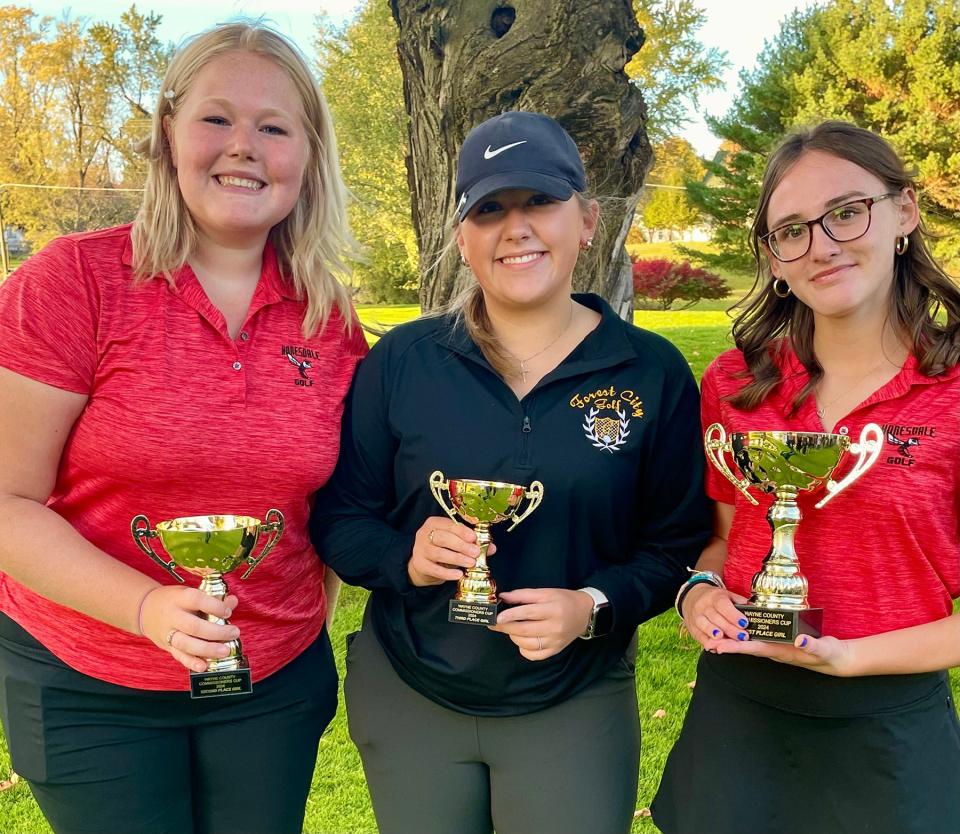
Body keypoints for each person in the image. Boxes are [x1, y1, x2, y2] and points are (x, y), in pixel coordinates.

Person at [0, 22, 367, 834]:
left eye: (274, 127)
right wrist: (145, 609)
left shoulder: (332, 322)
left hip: (270, 687)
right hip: (87, 681)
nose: (244, 147)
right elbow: (6, 503)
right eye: (216, 118)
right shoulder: (72, 284)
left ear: (307, 156)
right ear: (168, 134)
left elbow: (335, 505)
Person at [310, 110, 711, 834]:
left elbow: (675, 541)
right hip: (413, 692)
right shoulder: (402, 363)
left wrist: (591, 604)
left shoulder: (651, 373)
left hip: (574, 697)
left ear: (587, 220)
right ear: (463, 238)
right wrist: (407, 555)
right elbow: (341, 517)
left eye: (540, 201)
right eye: (489, 209)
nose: (515, 227)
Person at [652, 121, 960, 834]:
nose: (821, 245)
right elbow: (723, 542)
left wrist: (849, 656)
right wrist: (698, 591)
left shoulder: (951, 391)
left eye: (847, 212)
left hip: (888, 729)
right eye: (791, 230)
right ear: (774, 258)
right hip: (738, 719)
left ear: (904, 213)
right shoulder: (734, 384)